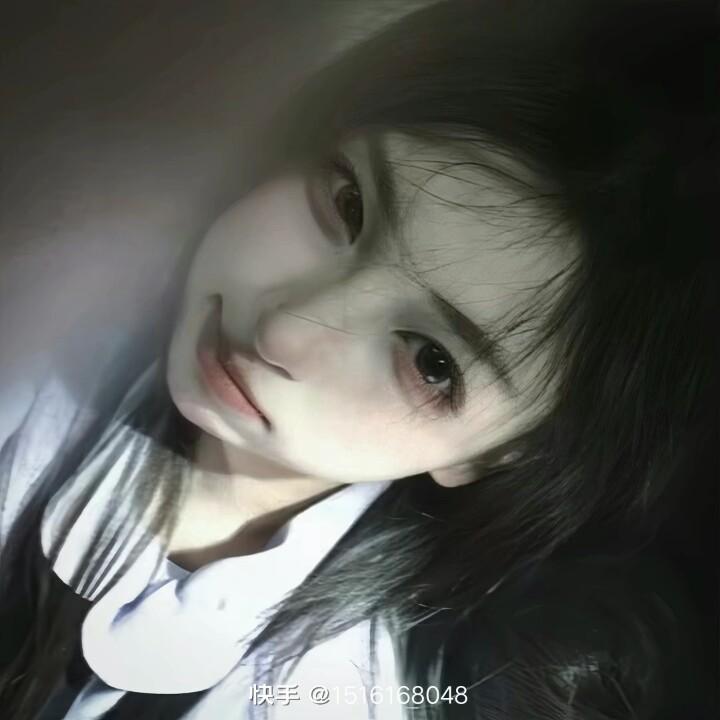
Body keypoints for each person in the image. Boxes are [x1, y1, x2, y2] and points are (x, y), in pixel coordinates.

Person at [0, 0, 716, 718]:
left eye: (431, 361)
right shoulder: (36, 297)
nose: (282, 331)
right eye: (348, 205)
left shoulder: (353, 696)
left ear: (501, 455)